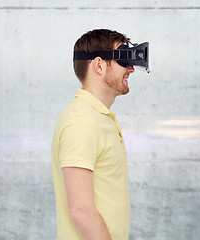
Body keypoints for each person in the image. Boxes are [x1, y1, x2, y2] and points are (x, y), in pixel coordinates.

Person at [51, 29, 140, 240]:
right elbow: (81, 211)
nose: (131, 69)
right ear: (99, 65)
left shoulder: (97, 117)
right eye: (123, 59)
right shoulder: (82, 121)